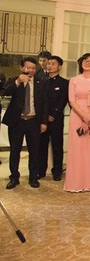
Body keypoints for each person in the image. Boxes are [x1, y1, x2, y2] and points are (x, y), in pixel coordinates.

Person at [2, 57, 48, 189]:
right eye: (28, 67)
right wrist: (18, 81)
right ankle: (14, 178)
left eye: (34, 68)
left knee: (34, 151)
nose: (31, 70)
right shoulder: (14, 80)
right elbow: (6, 92)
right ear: (22, 68)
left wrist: (44, 122)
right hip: (17, 121)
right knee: (15, 151)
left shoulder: (40, 82)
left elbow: (45, 103)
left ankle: (33, 177)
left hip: (33, 121)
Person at [64, 53, 90, 192]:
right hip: (76, 115)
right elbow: (71, 100)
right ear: (80, 63)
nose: (88, 63)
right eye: (85, 61)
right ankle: (75, 183)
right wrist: (83, 117)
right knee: (77, 149)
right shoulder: (73, 80)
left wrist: (88, 117)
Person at [39, 55, 68, 181]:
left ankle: (57, 171)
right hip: (42, 120)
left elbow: (63, 101)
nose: (50, 66)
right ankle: (41, 170)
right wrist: (44, 117)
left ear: (59, 67)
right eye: (48, 63)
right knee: (41, 146)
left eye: (53, 64)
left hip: (56, 119)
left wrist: (53, 115)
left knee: (57, 146)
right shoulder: (41, 81)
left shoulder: (64, 83)